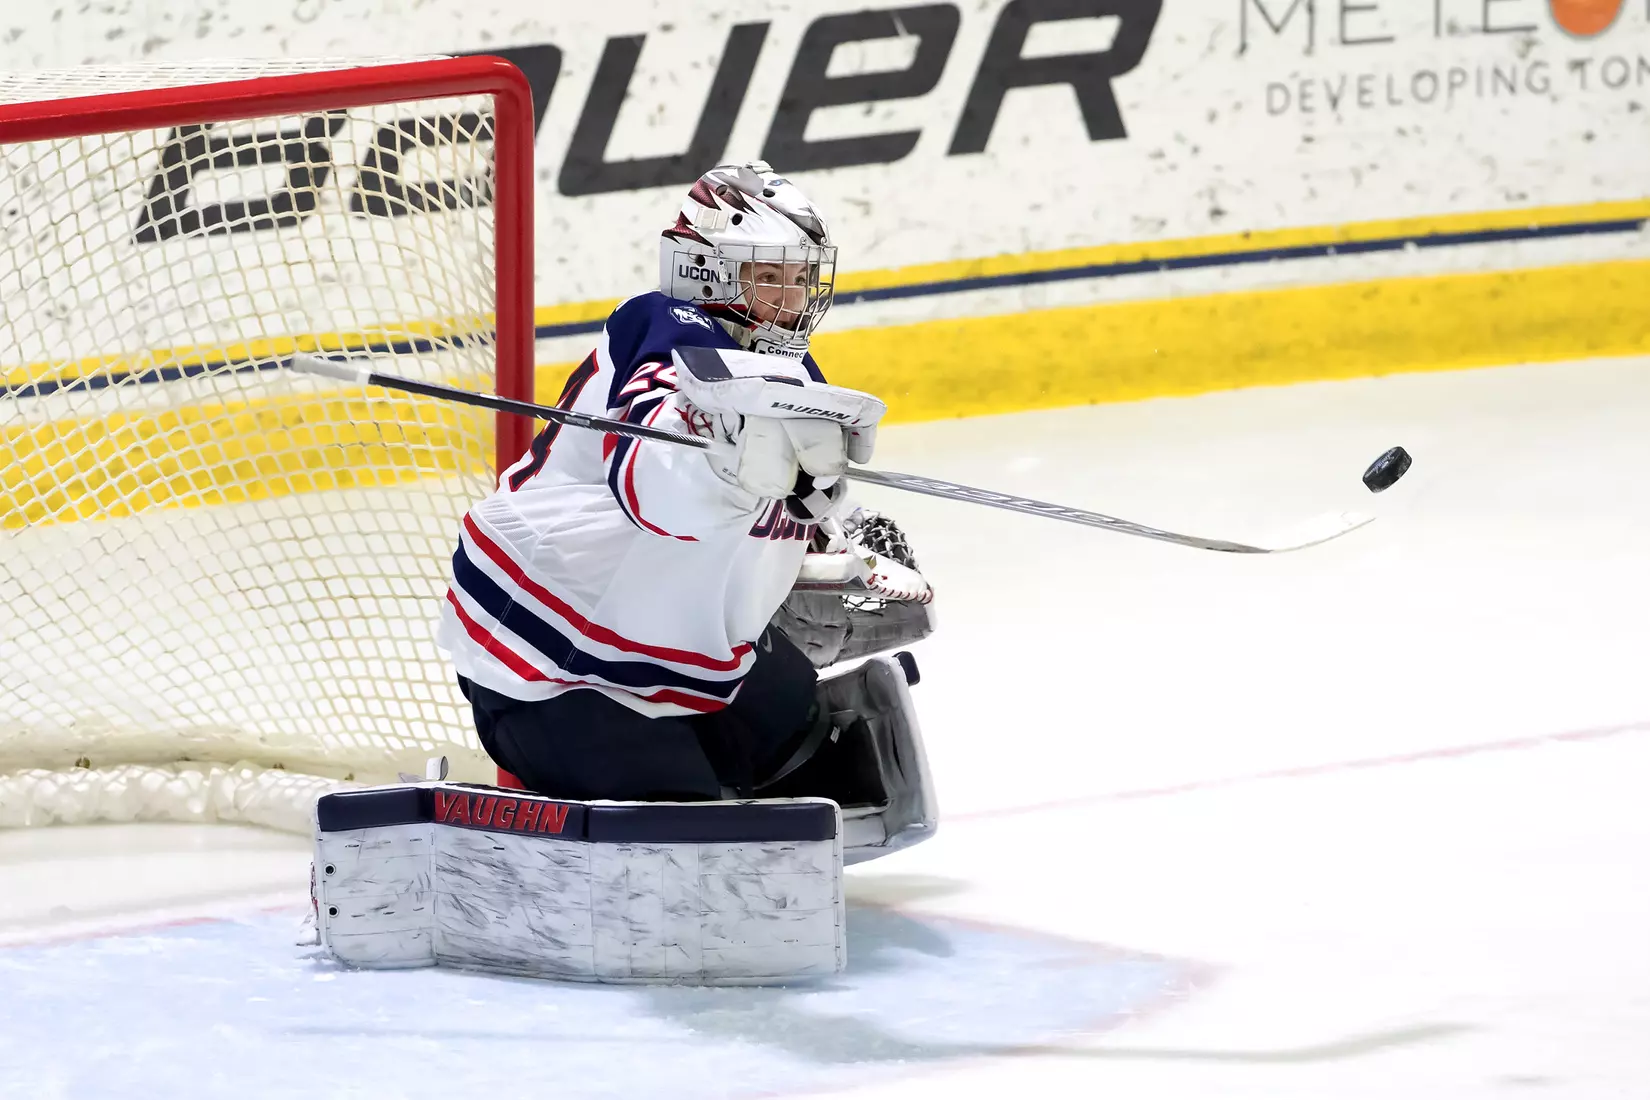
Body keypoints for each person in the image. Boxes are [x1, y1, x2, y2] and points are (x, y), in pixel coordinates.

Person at [435, 161, 934, 810]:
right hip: (553, 651)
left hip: (679, 644)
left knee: (828, 767)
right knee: (680, 826)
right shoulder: (663, 328)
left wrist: (846, 542)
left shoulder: (791, 369)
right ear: (705, 270)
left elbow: (795, 494)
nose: (790, 300)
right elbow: (654, 489)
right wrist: (733, 466)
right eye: (768, 278)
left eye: (799, 279)